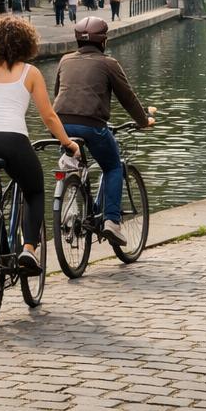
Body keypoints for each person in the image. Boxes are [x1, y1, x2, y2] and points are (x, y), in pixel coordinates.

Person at [0, 15, 79, 274]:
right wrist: (67, 142)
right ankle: (29, 248)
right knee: (34, 190)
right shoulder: (30, 73)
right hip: (13, 140)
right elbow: (48, 115)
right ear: (27, 43)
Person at [53, 17, 154, 245]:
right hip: (92, 126)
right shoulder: (109, 63)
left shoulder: (65, 60)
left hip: (61, 125)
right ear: (104, 41)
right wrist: (143, 120)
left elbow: (59, 93)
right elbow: (127, 98)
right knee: (112, 166)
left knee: (73, 166)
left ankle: (72, 216)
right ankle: (111, 221)